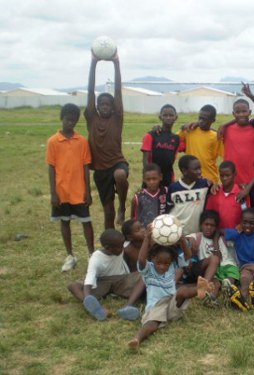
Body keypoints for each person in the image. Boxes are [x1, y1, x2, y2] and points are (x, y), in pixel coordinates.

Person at [127, 226, 193, 350]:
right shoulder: (149, 270)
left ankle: (200, 289)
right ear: (153, 259)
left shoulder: (173, 266)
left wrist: (183, 240)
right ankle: (137, 339)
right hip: (157, 306)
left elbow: (188, 257)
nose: (162, 267)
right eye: (159, 263)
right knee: (152, 324)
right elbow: (141, 260)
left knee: (183, 291)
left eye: (166, 264)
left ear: (171, 262)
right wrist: (146, 239)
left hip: (172, 305)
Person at [46, 103, 94, 272]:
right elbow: (51, 167)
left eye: (73, 121)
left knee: (86, 223)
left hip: (79, 190)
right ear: (62, 118)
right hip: (62, 191)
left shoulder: (81, 141)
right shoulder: (53, 141)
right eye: (67, 119)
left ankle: (91, 255)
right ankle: (70, 256)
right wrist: (53, 193)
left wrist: (88, 191)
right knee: (64, 222)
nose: (70, 123)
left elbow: (86, 166)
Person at [85, 50, 128, 228]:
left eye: (107, 104)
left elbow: (118, 90)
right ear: (97, 106)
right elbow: (90, 90)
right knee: (107, 210)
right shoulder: (92, 118)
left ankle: (123, 207)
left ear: (112, 107)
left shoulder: (117, 118)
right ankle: (109, 239)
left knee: (119, 175)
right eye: (101, 104)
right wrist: (94, 63)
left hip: (117, 163)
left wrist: (116, 64)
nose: (104, 106)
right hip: (100, 170)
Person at [67, 229, 141, 321]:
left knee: (143, 277)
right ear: (108, 248)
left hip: (122, 279)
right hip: (102, 281)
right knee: (74, 286)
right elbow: (90, 279)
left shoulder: (120, 246)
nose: (122, 248)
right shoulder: (96, 258)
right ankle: (94, 307)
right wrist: (87, 297)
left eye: (122, 245)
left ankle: (127, 307)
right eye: (119, 247)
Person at [184, 210, 240, 306]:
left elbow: (237, 235)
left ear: (216, 227)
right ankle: (210, 295)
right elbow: (184, 238)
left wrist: (220, 232)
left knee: (231, 275)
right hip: (212, 270)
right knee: (215, 284)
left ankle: (225, 290)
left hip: (227, 264)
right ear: (201, 225)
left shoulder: (222, 238)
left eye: (212, 225)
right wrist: (189, 239)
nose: (209, 227)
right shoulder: (198, 237)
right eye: (206, 224)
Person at [223, 208, 254, 310]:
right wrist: (237, 229)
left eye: (251, 223)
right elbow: (221, 231)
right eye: (245, 222)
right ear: (240, 222)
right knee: (245, 282)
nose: (247, 226)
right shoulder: (236, 234)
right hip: (246, 267)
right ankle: (242, 302)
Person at [166, 155, 211, 235]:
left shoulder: (204, 184)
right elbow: (168, 210)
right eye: (195, 169)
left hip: (197, 233)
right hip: (177, 233)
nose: (199, 171)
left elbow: (216, 188)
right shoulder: (173, 188)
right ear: (184, 171)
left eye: (200, 168)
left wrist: (214, 185)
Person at [178, 104, 223, 184]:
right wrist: (183, 126)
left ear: (213, 120)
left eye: (205, 119)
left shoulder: (216, 136)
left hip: (210, 179)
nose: (201, 121)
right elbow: (172, 139)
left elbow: (226, 155)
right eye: (200, 118)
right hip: (190, 178)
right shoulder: (189, 130)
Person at [219, 99, 254, 185]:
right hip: (232, 179)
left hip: (253, 179)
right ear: (233, 114)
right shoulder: (226, 129)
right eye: (238, 112)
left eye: (244, 111)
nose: (241, 114)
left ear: (249, 112)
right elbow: (212, 133)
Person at [141, 104, 181, 187]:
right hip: (152, 178)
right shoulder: (151, 135)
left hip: (168, 178)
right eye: (165, 115)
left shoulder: (177, 139)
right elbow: (145, 159)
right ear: (160, 117)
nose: (168, 118)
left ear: (175, 117)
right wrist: (148, 177)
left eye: (171, 115)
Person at [206, 161, 249, 230]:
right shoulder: (214, 192)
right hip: (218, 234)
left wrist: (241, 226)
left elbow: (247, 213)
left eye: (227, 175)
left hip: (237, 233)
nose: (224, 178)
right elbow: (209, 215)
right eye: (222, 176)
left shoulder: (241, 193)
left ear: (235, 174)